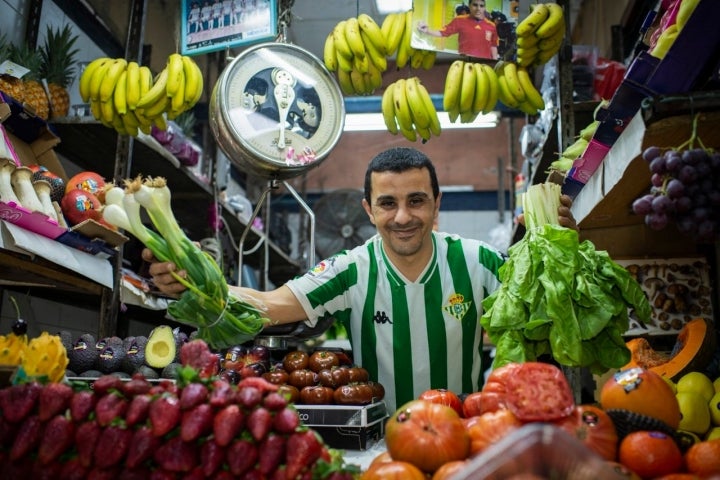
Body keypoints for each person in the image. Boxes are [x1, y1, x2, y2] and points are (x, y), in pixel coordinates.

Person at [143, 147, 577, 412]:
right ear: (368, 210)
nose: (403, 217)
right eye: (388, 203)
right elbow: (270, 305)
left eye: (417, 201)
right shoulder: (350, 269)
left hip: (463, 438)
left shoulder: (478, 260)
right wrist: (196, 283)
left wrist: (562, 244)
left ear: (437, 204)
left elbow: (546, 308)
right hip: (377, 444)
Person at [417, 1, 500, 60]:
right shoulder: (459, 20)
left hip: (485, 64)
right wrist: (427, 31)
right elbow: (443, 33)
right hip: (465, 63)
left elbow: (493, 46)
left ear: (484, 8)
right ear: (470, 6)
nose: (478, 8)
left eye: (481, 6)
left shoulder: (491, 26)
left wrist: (494, 60)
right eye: (475, 5)